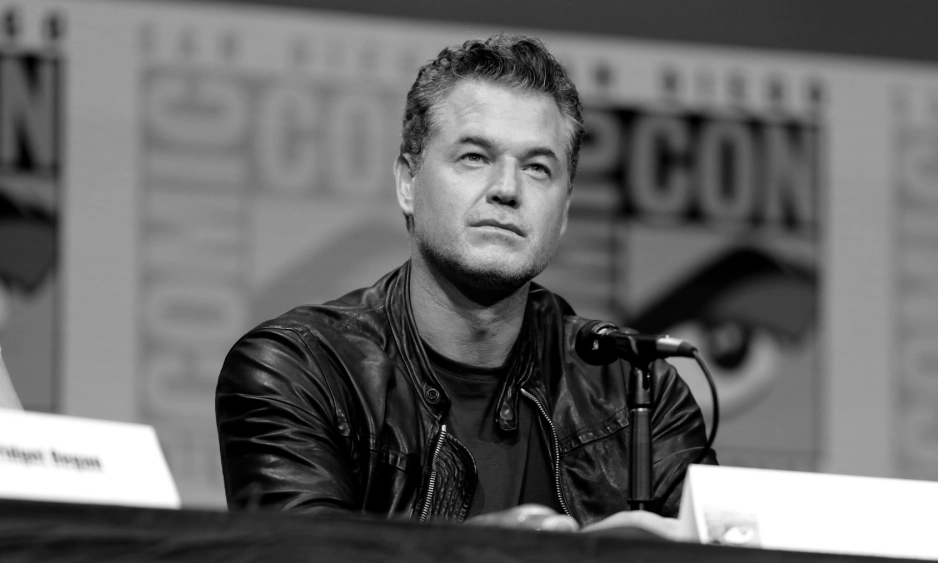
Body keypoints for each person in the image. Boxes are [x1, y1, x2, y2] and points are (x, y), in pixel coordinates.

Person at [216, 33, 715, 536]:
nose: (507, 189)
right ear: (408, 182)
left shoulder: (637, 392)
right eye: (475, 157)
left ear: (563, 211)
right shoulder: (297, 371)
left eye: (537, 168)